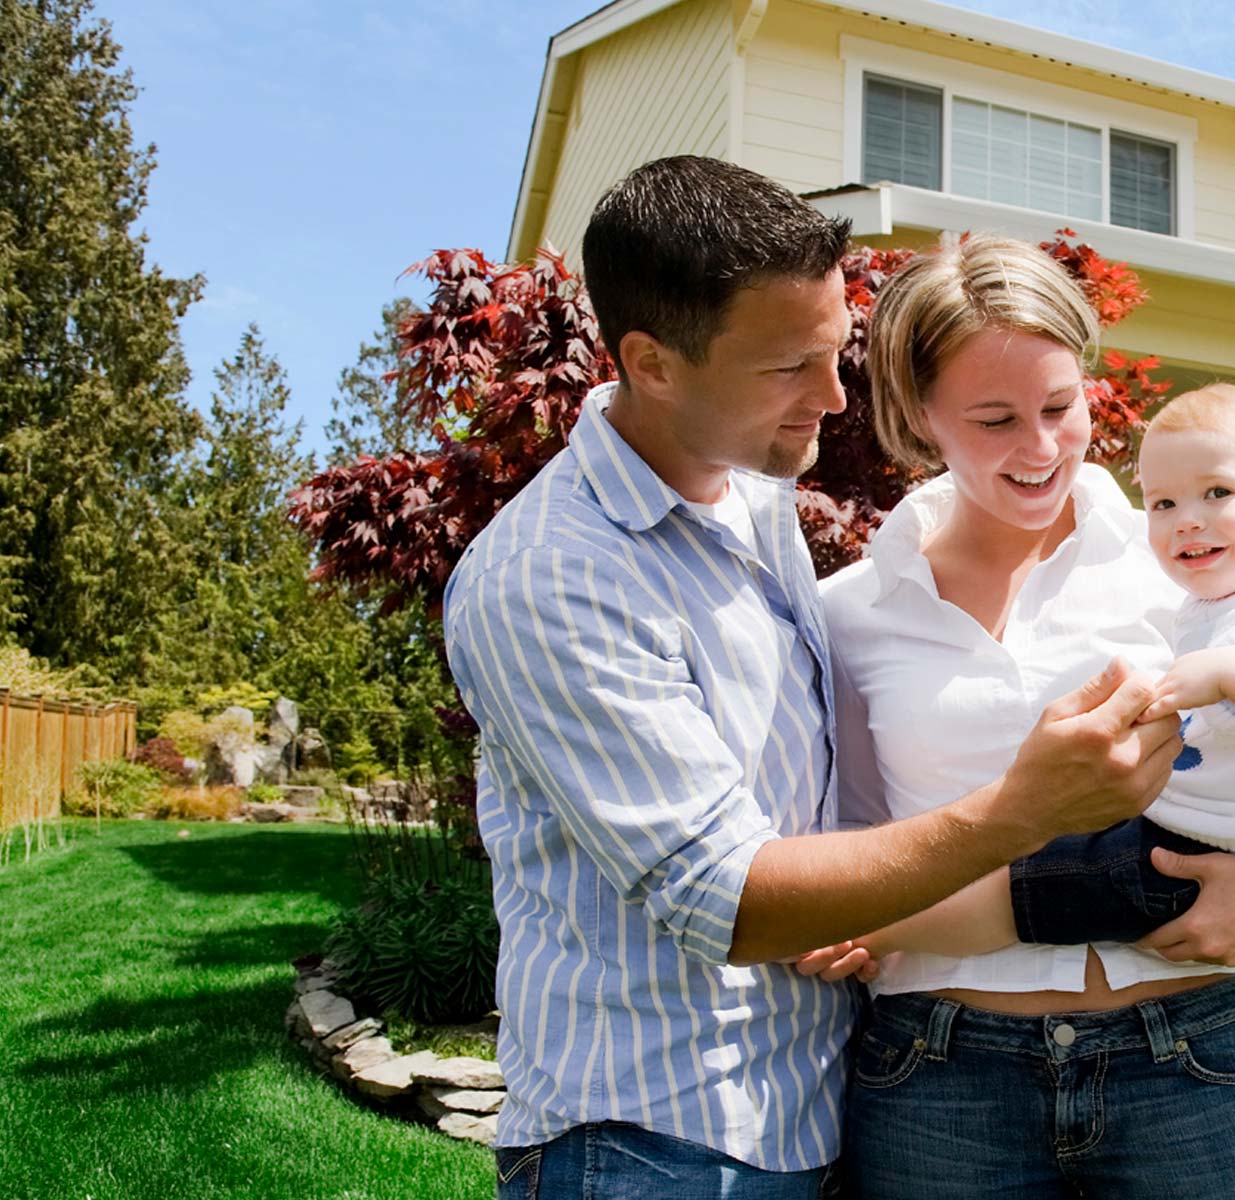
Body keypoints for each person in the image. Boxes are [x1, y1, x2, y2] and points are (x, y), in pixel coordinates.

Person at [443, 157, 1186, 1199]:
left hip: (812, 1111)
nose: (834, 397)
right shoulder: (553, 579)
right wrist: (1022, 809)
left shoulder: (748, 499)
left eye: (835, 353)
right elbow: (725, 898)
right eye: (789, 367)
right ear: (652, 365)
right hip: (650, 1140)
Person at [815, 235, 1235, 1199]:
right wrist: (849, 919)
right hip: (941, 1077)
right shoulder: (850, 613)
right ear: (921, 415)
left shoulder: (1190, 557)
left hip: (1184, 1056)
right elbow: (851, 837)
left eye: (1061, 407)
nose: (1042, 446)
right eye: (994, 419)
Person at [851, 382, 1235, 962]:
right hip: (1196, 832)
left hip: (1218, 852)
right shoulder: (1217, 599)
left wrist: (1233, 672)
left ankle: (870, 933)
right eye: (1163, 504)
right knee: (1039, 878)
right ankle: (872, 928)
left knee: (1030, 891)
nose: (1187, 522)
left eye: (1218, 493)